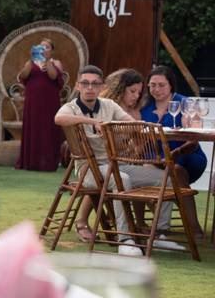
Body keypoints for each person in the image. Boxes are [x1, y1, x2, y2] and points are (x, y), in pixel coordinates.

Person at [54, 65, 184, 256]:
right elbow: (59, 118)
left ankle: (160, 236)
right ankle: (125, 239)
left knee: (165, 177)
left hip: (116, 163)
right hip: (89, 169)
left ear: (101, 86)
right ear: (78, 86)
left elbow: (129, 122)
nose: (90, 87)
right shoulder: (71, 107)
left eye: (95, 84)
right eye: (85, 83)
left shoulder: (109, 105)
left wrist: (144, 127)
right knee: (122, 179)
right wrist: (93, 122)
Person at [141, 65, 205, 238]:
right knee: (143, 172)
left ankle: (193, 228)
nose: (156, 89)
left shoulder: (185, 104)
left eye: (161, 85)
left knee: (176, 170)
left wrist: (175, 154)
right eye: (152, 85)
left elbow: (194, 139)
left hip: (186, 155)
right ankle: (164, 226)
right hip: (155, 157)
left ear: (171, 85)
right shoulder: (144, 106)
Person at [15, 38, 67, 171]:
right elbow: (23, 76)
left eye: (47, 47)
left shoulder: (55, 63)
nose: (43, 49)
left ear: (52, 51)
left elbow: (53, 76)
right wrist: (32, 60)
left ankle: (47, 162)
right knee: (33, 127)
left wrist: (47, 61)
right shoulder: (31, 62)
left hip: (49, 102)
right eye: (41, 46)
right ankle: (30, 162)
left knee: (47, 129)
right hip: (33, 102)